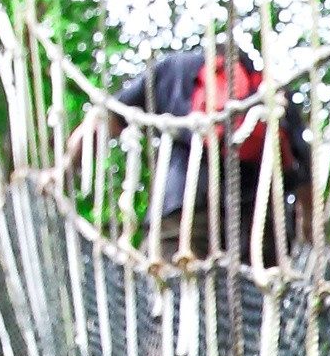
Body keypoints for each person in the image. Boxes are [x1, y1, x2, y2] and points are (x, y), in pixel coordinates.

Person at [103, 40, 312, 261]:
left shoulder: (174, 69)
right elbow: (303, 171)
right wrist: (309, 225)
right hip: (260, 226)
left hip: (184, 211)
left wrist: (68, 164)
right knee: (259, 291)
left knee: (169, 284)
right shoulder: (271, 92)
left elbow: (107, 118)